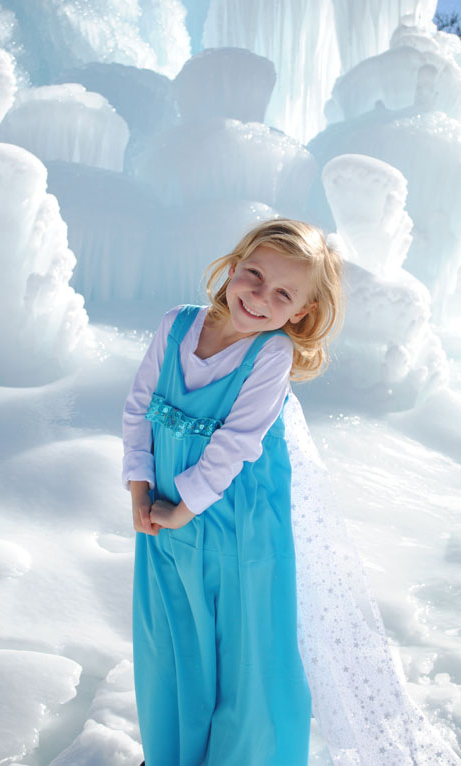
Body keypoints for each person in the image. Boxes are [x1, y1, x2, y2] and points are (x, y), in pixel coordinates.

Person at [122, 219, 460, 766]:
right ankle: (172, 756)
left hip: (238, 528)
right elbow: (139, 407)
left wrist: (181, 508)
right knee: (173, 644)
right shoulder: (175, 327)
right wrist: (139, 488)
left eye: (283, 294)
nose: (259, 297)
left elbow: (233, 445)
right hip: (162, 520)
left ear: (299, 313)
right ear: (232, 266)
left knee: (248, 654)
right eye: (254, 275)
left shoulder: (270, 356)